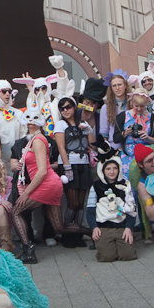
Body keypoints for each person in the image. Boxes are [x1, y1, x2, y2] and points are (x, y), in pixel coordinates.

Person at [12, 91, 89, 264]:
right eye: (28, 117)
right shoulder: (31, 140)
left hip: (46, 184)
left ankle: (28, 251)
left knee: (16, 210)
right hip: (51, 184)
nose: (31, 121)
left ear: (40, 121)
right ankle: (92, 232)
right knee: (58, 226)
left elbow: (42, 171)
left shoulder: (38, 140)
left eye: (35, 117)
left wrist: (26, 194)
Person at [54, 94, 95, 248]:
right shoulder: (60, 125)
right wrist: (67, 167)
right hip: (69, 164)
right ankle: (67, 235)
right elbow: (61, 147)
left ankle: (77, 235)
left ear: (74, 107)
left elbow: (92, 143)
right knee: (72, 203)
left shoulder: (82, 123)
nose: (65, 110)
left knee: (80, 203)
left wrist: (88, 127)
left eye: (68, 107)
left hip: (83, 164)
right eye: (62, 108)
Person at [86, 155, 138, 261]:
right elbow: (90, 211)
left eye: (115, 168)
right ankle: (103, 244)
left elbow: (132, 209)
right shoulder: (96, 186)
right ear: (102, 170)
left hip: (121, 225)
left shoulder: (125, 185)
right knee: (107, 257)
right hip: (104, 226)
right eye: (108, 169)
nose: (112, 172)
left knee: (128, 255)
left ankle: (120, 245)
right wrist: (94, 227)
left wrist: (129, 228)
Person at [113, 89, 154, 182]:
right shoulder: (123, 116)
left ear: (146, 104)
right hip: (128, 155)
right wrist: (125, 133)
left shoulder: (152, 118)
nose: (139, 109)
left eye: (142, 106)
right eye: (136, 106)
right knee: (128, 182)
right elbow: (115, 138)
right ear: (132, 103)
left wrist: (147, 137)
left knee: (145, 180)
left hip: (146, 156)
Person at [99, 70, 132, 151]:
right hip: (115, 147)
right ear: (111, 88)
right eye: (114, 86)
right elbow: (104, 132)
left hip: (132, 145)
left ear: (125, 86)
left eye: (120, 84)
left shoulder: (133, 104)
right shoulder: (105, 107)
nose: (117, 88)